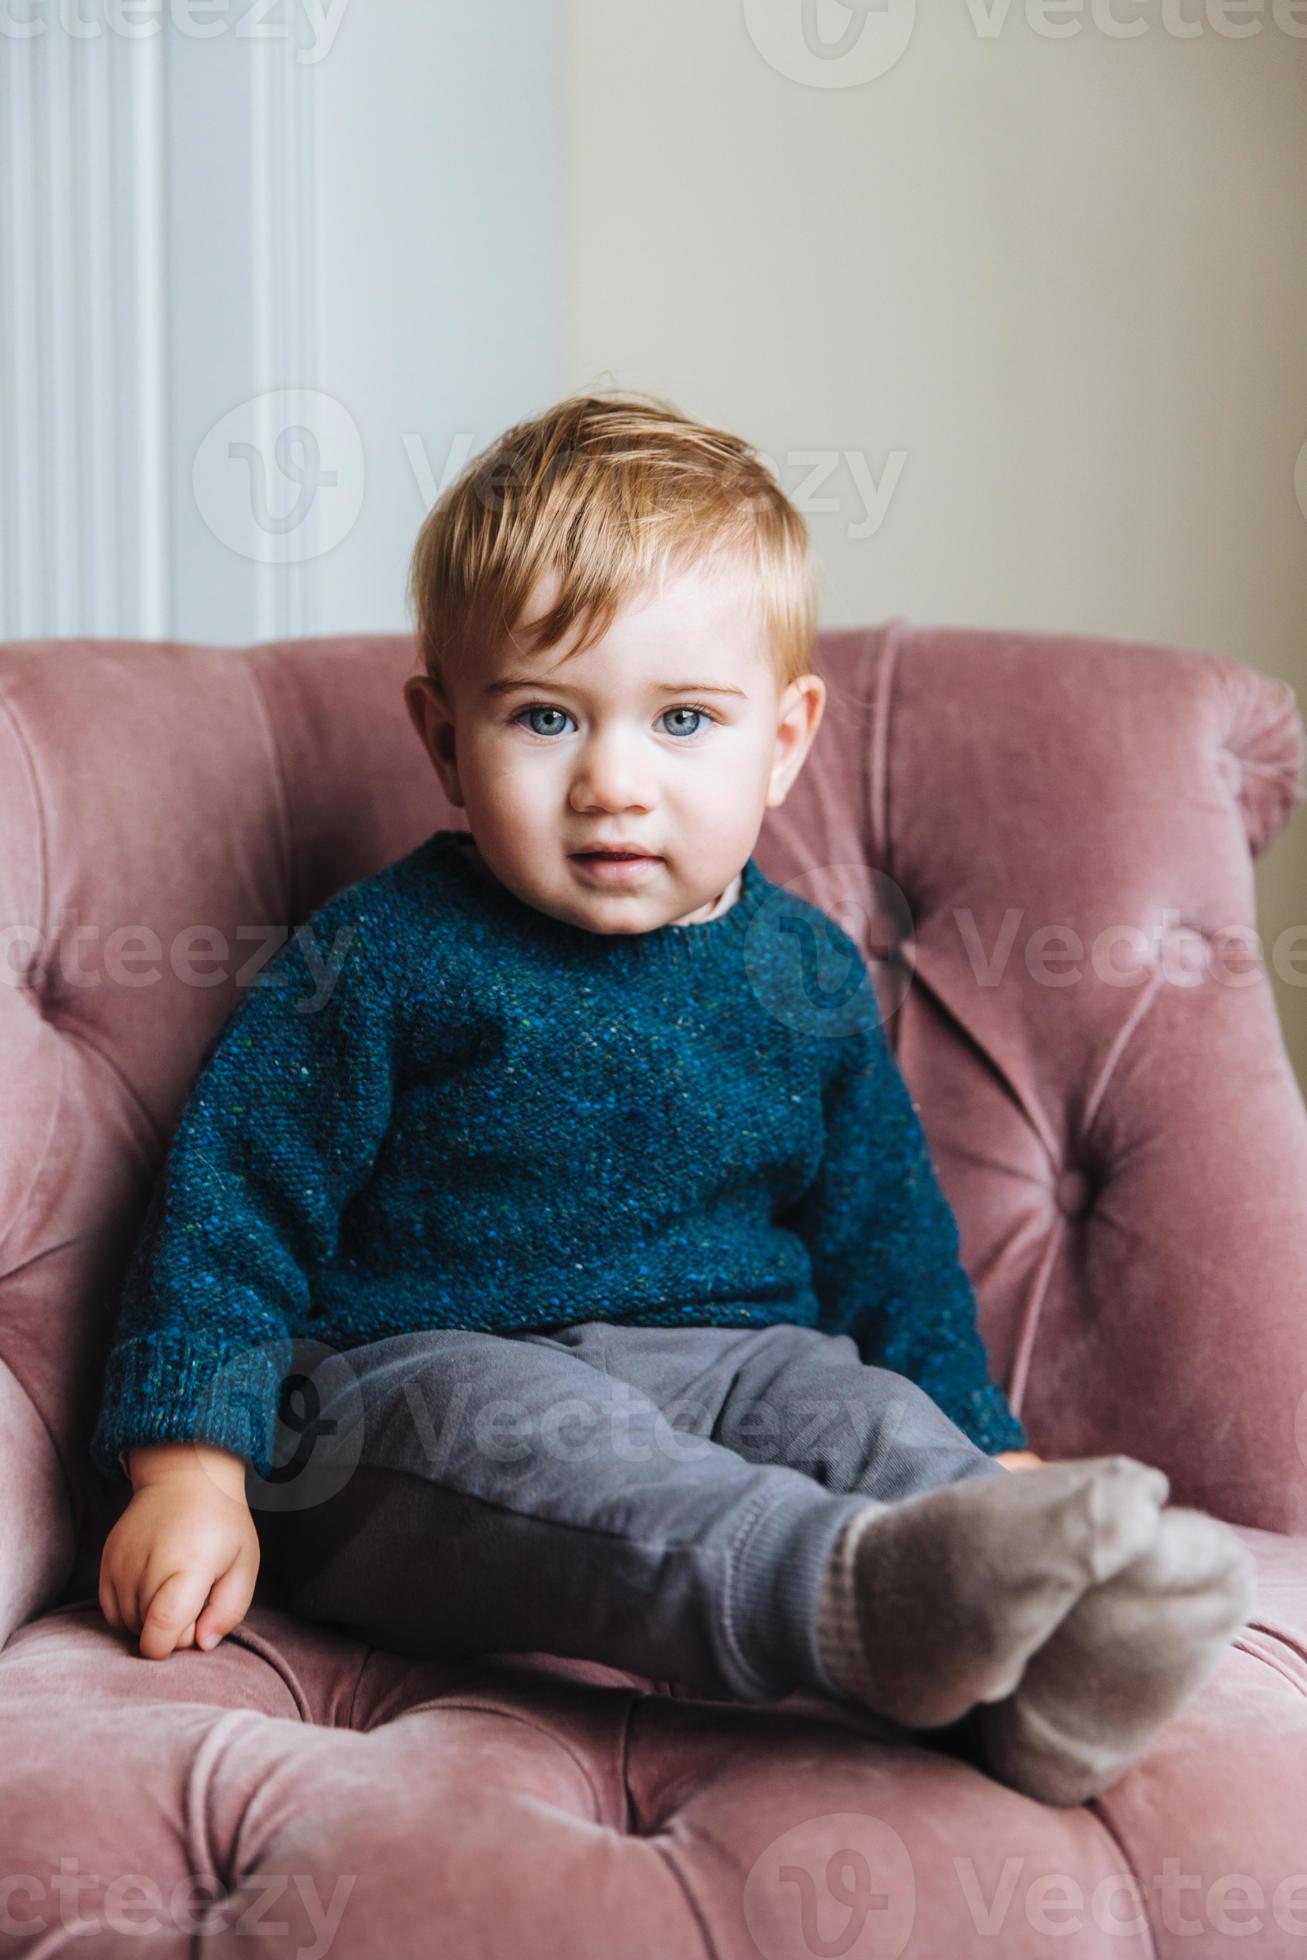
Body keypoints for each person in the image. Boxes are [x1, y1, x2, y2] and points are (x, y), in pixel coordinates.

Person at [90, 391, 1254, 1807]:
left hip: (735, 1360)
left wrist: (982, 1449)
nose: (614, 785)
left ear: (786, 738)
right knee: (533, 1442)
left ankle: (1033, 1671)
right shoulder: (380, 955)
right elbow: (233, 1208)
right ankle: (851, 1605)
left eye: (685, 719)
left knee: (859, 1418)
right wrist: (191, 1467)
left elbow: (886, 1245)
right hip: (416, 1388)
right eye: (545, 717)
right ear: (446, 737)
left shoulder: (803, 976)